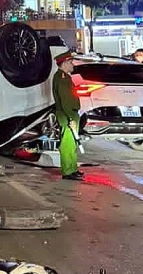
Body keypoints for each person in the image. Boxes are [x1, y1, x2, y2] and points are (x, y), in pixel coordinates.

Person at [52, 51, 83, 181]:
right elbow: (65, 100)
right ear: (64, 63)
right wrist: (71, 118)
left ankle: (73, 168)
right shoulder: (62, 78)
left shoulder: (64, 77)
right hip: (67, 115)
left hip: (70, 114)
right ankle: (68, 171)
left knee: (72, 143)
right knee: (68, 144)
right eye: (70, 62)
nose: (72, 65)